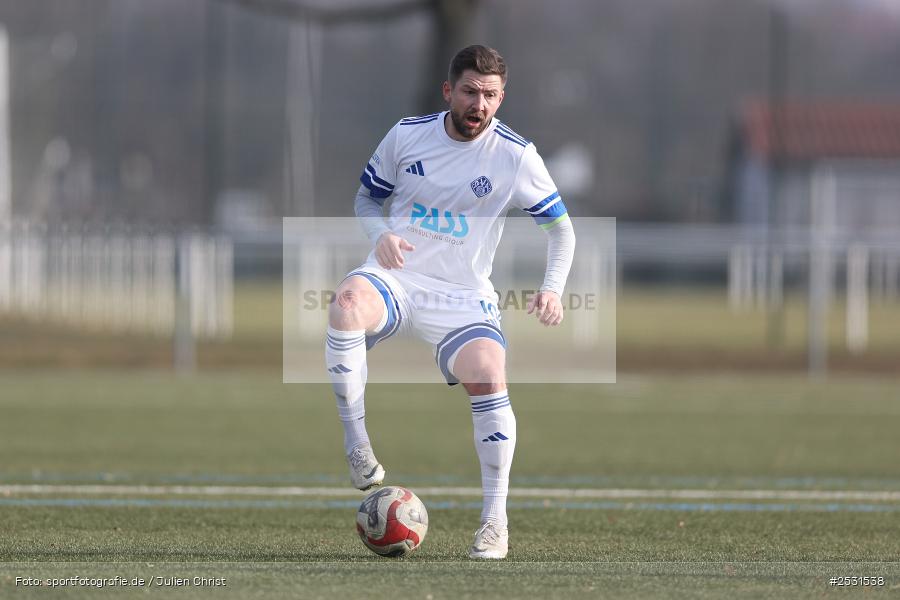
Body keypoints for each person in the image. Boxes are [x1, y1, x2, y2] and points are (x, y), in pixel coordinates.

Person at [325, 44, 575, 560]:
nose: (478, 104)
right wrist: (379, 236)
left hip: (461, 295)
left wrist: (551, 289)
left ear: (502, 98)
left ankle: (494, 523)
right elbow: (366, 198)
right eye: (469, 91)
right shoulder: (407, 135)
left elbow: (562, 230)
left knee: (489, 371)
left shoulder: (516, 156)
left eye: (489, 95)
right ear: (449, 91)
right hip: (397, 275)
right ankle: (357, 446)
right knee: (346, 303)